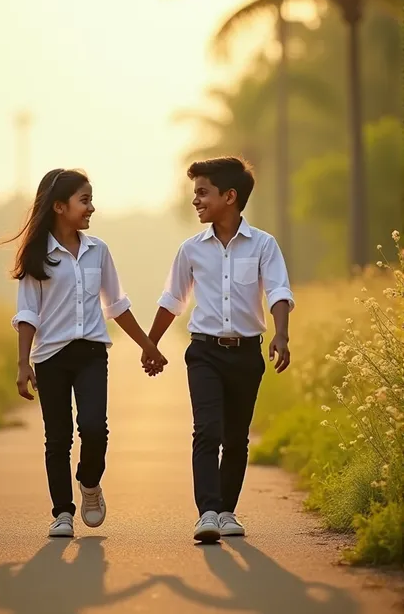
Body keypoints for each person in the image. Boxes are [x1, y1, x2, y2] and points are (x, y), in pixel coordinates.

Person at [8, 168, 166, 538]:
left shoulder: (98, 251)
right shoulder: (38, 256)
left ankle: (90, 483)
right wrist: (23, 363)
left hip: (92, 351)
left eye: (91, 200)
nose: (91, 208)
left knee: (94, 428)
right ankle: (62, 513)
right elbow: (28, 312)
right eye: (85, 200)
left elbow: (117, 305)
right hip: (51, 357)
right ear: (60, 206)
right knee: (58, 437)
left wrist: (148, 346)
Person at [142, 157, 294, 543]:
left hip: (246, 354)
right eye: (195, 193)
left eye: (202, 193)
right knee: (207, 431)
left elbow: (278, 290)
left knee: (237, 436)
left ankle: (227, 511)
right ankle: (208, 512)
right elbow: (173, 298)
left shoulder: (263, 245)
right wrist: (151, 343)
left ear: (230, 196)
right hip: (204, 352)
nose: (196, 201)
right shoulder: (191, 250)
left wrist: (281, 334)